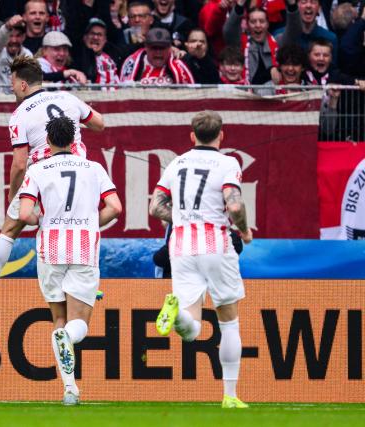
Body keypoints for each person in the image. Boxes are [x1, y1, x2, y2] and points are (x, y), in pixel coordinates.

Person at [0, 55, 104, 313]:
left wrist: (14, 194)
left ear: (21, 85)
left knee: (9, 230)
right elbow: (99, 123)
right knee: (85, 221)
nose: (11, 90)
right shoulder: (67, 98)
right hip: (77, 172)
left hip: (45, 175)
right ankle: (88, 283)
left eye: (12, 84)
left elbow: (20, 163)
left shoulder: (20, 114)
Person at [149, 110, 253, 409]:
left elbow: (156, 207)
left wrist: (179, 216)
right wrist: (244, 231)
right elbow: (234, 205)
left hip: (181, 246)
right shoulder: (228, 162)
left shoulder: (176, 163)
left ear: (191, 135)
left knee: (191, 328)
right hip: (216, 243)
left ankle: (176, 314)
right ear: (222, 135)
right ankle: (230, 396)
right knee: (229, 322)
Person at [18, 116, 122, 405]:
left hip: (50, 248)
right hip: (83, 247)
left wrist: (45, 220)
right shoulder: (94, 168)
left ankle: (70, 389)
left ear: (48, 141)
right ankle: (69, 361)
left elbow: (25, 213)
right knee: (78, 324)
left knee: (59, 320)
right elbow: (115, 207)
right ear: (75, 141)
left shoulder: (37, 169)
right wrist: (91, 223)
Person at [223, 0, 299, 85]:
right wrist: (239, 5)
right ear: (247, 25)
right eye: (253, 22)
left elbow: (294, 31)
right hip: (247, 94)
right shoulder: (239, 42)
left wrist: (292, 4)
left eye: (262, 21)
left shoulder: (278, 41)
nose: (258, 25)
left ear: (267, 24)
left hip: (275, 95)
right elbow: (228, 31)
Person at [120, 27, 195, 84]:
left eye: (162, 48)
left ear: (170, 48)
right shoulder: (132, 63)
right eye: (154, 48)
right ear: (146, 47)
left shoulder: (180, 67)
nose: (158, 52)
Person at [0, 14, 32, 91]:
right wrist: (7, 27)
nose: (14, 40)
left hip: (15, 100)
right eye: (10, 35)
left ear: (24, 36)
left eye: (18, 36)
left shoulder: (27, 55)